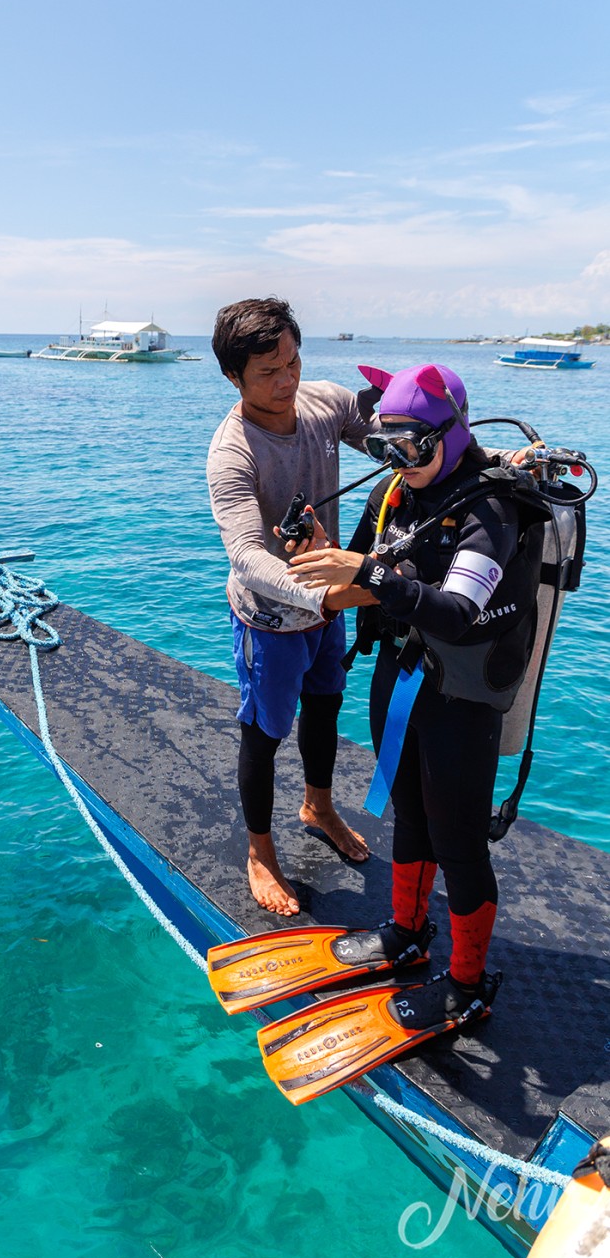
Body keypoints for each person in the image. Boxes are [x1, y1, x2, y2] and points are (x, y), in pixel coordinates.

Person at [286, 361, 546, 1017]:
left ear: (451, 434)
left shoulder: (491, 507)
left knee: (457, 839)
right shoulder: (393, 495)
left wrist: (369, 573)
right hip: (398, 675)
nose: (400, 459)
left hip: (461, 698)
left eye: (414, 444)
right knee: (408, 813)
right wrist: (317, 562)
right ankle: (408, 935)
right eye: (386, 445)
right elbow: (348, 587)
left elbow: (458, 613)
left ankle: (467, 984)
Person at [206, 297, 375, 917]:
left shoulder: (324, 403)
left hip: (326, 609)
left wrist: (482, 458)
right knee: (265, 732)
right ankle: (259, 851)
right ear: (234, 377)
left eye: (293, 362)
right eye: (267, 374)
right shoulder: (233, 453)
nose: (287, 382)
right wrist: (321, 593)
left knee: (326, 709)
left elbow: (399, 435)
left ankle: (319, 805)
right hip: (271, 619)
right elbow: (247, 555)